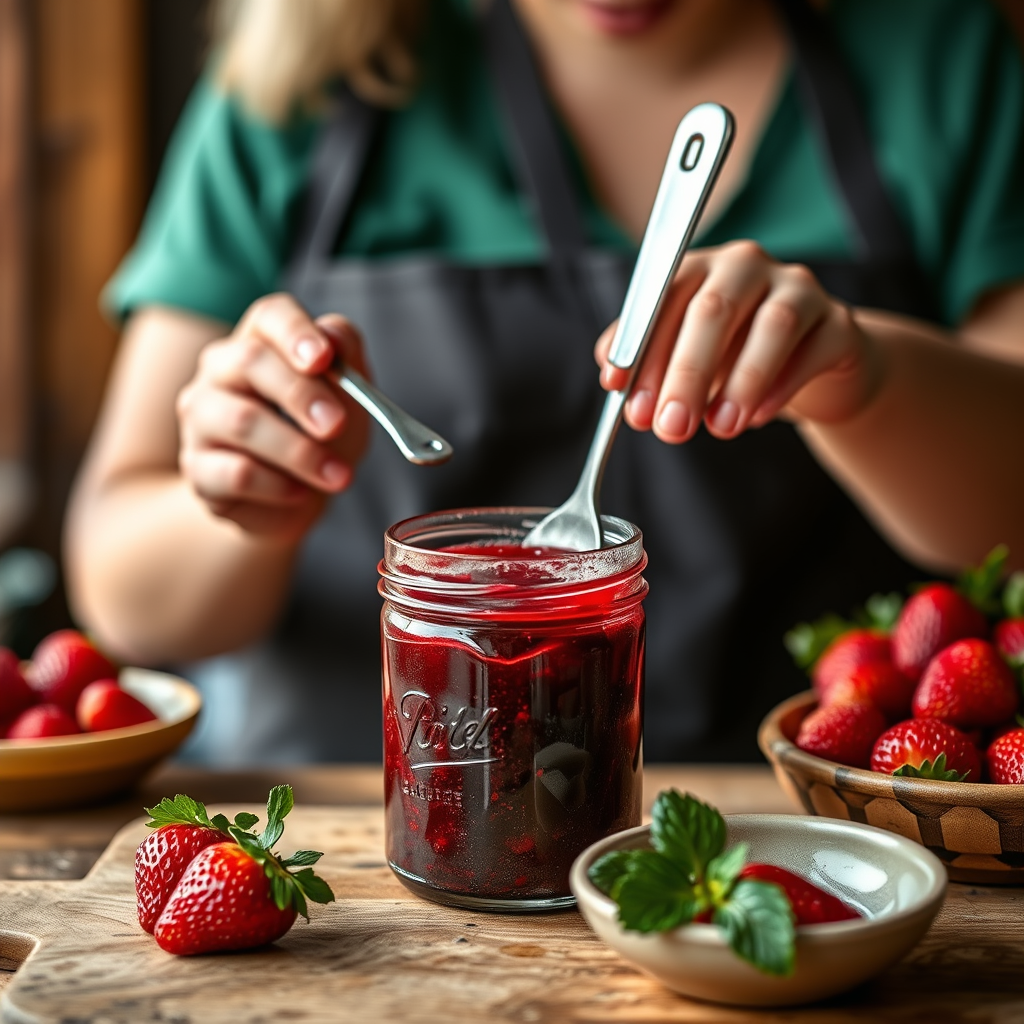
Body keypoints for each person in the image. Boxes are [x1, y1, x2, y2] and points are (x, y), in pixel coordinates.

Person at [66, 0, 1024, 764]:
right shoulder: (314, 71)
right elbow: (128, 596)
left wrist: (867, 379)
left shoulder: (937, 53)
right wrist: (242, 499)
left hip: (795, 831)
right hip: (350, 842)